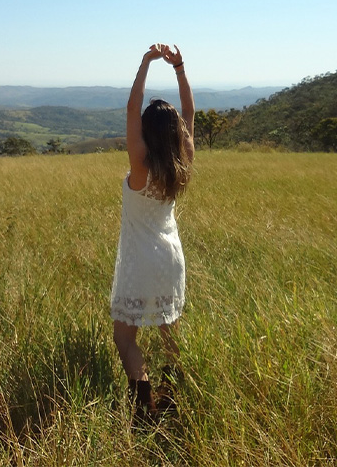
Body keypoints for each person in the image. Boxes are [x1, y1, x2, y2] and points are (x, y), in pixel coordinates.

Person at [110, 43, 195, 427]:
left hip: (138, 261)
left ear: (145, 130)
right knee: (170, 337)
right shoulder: (181, 161)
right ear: (176, 131)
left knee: (126, 340)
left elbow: (132, 108)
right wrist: (179, 69)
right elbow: (190, 113)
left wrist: (146, 62)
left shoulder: (140, 166)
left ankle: (143, 409)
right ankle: (173, 397)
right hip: (171, 258)